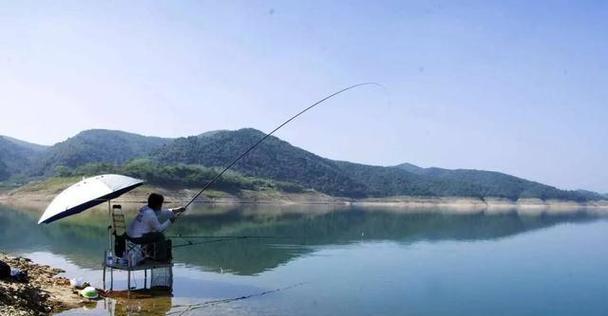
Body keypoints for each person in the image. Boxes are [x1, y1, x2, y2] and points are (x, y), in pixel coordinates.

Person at [127, 193, 185, 261]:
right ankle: (161, 258)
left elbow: (161, 212)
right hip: (137, 238)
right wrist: (170, 221)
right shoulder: (150, 214)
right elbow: (160, 229)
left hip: (130, 236)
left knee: (151, 232)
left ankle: (146, 254)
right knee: (159, 235)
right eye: (161, 204)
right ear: (158, 204)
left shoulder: (146, 208)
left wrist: (176, 210)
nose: (161, 205)